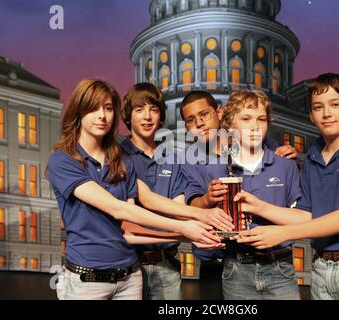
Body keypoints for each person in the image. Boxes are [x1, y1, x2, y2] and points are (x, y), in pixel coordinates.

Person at [47, 79, 221, 300]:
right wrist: (190, 225)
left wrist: (197, 227)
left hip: (134, 274)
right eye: (93, 108)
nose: (102, 115)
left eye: (108, 109)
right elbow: (124, 210)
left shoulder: (122, 161)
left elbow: (139, 215)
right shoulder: (67, 160)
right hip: (90, 276)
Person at [234, 73, 339, 300]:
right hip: (323, 268)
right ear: (311, 115)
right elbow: (306, 215)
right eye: (318, 107)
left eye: (335, 105)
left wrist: (282, 233)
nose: (327, 113)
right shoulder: (312, 156)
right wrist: (258, 206)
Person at [183, 89, 302, 300]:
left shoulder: (278, 157)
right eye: (192, 120)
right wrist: (207, 200)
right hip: (225, 262)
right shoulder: (198, 163)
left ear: (219, 114)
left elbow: (299, 215)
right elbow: (191, 206)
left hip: (277, 263)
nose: (200, 123)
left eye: (205, 115)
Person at [119, 83, 231, 300]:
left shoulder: (173, 158)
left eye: (154, 110)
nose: (147, 117)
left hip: (168, 264)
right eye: (139, 110)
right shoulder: (118, 156)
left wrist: (200, 231)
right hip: (129, 263)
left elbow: (181, 208)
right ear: (128, 116)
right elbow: (139, 205)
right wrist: (193, 226)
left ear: (161, 115)